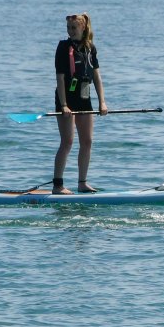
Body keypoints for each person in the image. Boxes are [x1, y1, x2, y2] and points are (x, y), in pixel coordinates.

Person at [52, 13, 108, 194]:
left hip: (84, 99)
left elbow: (97, 77)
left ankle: (82, 183)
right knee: (67, 142)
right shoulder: (63, 47)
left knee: (87, 141)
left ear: (83, 27)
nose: (70, 31)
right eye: (68, 28)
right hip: (66, 99)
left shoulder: (90, 48)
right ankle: (58, 185)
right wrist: (63, 105)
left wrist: (102, 102)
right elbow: (60, 78)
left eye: (74, 28)